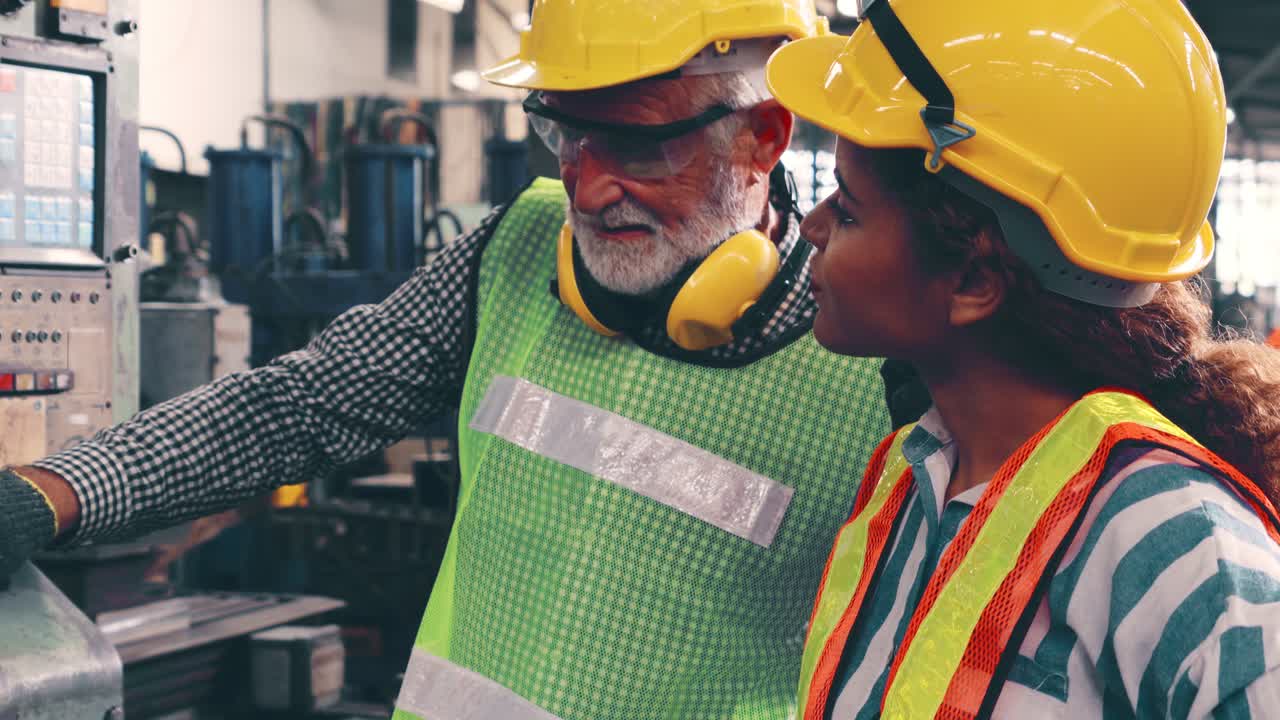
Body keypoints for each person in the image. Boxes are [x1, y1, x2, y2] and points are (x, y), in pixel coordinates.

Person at [0, 2, 903, 718]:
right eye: (565, 136)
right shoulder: (513, 251)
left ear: (764, 136)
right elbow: (296, 406)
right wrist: (49, 493)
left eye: (633, 144)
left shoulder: (882, 369)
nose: (586, 188)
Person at [764, 0, 1280, 718]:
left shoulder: (1178, 543)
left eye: (847, 210)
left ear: (975, 279)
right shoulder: (909, 478)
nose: (813, 228)